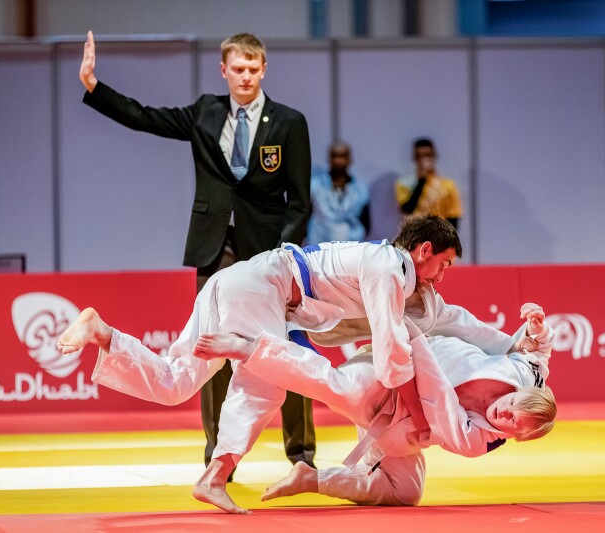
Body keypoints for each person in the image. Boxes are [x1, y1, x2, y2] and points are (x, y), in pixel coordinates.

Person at [57, 214, 461, 514]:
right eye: (443, 264)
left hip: (239, 282)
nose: (442, 276)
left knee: (175, 383)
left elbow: (419, 330)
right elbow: (391, 344)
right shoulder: (389, 266)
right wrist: (411, 399)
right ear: (423, 250)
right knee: (266, 384)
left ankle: (104, 334)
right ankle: (214, 475)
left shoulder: (380, 262)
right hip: (262, 285)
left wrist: (513, 343)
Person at [78, 31, 314, 478]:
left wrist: (285, 254)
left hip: (268, 253)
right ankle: (217, 458)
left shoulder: (289, 122)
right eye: (237, 69)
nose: (245, 76)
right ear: (223, 70)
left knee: (286, 348)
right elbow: (145, 117)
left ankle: (300, 455)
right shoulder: (205, 112)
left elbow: (300, 201)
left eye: (253, 69)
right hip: (214, 246)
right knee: (210, 350)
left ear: (264, 69)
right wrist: (93, 85)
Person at [193, 303, 555, 507]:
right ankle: (250, 348)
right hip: (383, 374)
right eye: (511, 406)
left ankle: (313, 478)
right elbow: (539, 351)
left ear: (515, 438)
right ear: (521, 390)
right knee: (330, 385)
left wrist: (414, 340)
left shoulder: (478, 442)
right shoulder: (527, 371)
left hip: (400, 418)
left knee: (406, 493)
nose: (503, 415)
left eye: (510, 424)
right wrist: (537, 329)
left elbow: (436, 395)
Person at [306, 141, 370, 246]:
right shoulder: (315, 186)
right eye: (335, 156)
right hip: (319, 247)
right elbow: (306, 216)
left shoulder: (361, 190)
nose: (339, 161)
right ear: (329, 158)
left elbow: (366, 222)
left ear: (350, 159)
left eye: (343, 156)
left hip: (351, 247)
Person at [395, 138, 463, 230]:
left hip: (439, 234)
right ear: (414, 158)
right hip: (414, 234)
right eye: (420, 156)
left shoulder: (447, 185)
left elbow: (453, 215)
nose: (424, 159)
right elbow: (407, 209)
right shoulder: (404, 183)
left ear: (434, 156)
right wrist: (421, 181)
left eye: (428, 155)